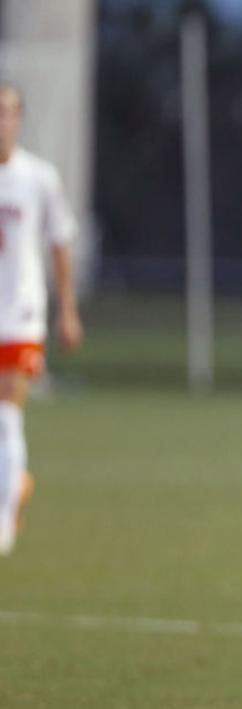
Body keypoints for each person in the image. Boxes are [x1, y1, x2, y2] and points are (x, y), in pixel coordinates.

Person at [0, 83, 83, 555]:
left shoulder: (39, 178)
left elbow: (59, 242)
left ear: (20, 121)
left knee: (8, 412)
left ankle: (5, 520)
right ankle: (15, 482)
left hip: (20, 311)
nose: (2, 121)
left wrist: (67, 310)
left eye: (9, 113)